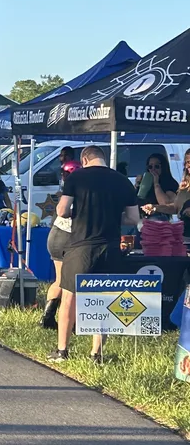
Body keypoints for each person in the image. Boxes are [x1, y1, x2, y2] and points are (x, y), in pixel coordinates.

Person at [49, 145, 140, 363]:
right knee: (103, 300)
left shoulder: (77, 177)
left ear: (85, 159)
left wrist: (80, 213)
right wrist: (108, 215)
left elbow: (61, 211)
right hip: (110, 246)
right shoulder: (122, 180)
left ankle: (62, 351)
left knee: (69, 297)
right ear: (103, 158)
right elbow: (133, 218)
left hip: (81, 245)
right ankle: (96, 353)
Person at [40, 159, 80, 330]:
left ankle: (47, 317)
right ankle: (72, 320)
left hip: (56, 235)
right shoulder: (77, 191)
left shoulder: (63, 191)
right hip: (67, 237)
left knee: (60, 279)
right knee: (72, 282)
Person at [137, 151, 186, 257]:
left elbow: (166, 203)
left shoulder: (169, 183)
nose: (153, 170)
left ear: (163, 167)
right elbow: (137, 200)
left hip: (159, 223)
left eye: (157, 166)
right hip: (143, 223)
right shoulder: (145, 183)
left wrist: (156, 183)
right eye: (150, 167)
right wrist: (138, 186)